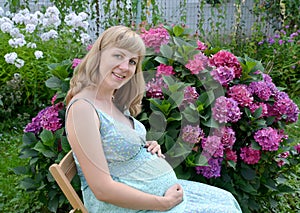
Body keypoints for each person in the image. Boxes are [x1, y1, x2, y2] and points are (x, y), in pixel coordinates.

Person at [65, 25, 242, 213]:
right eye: (118, 56)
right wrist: (163, 203)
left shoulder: (111, 100)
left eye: (132, 61)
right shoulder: (83, 109)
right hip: (127, 207)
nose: (125, 67)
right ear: (99, 55)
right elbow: (102, 189)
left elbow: (113, 148)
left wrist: (143, 146)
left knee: (226, 200)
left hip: (155, 198)